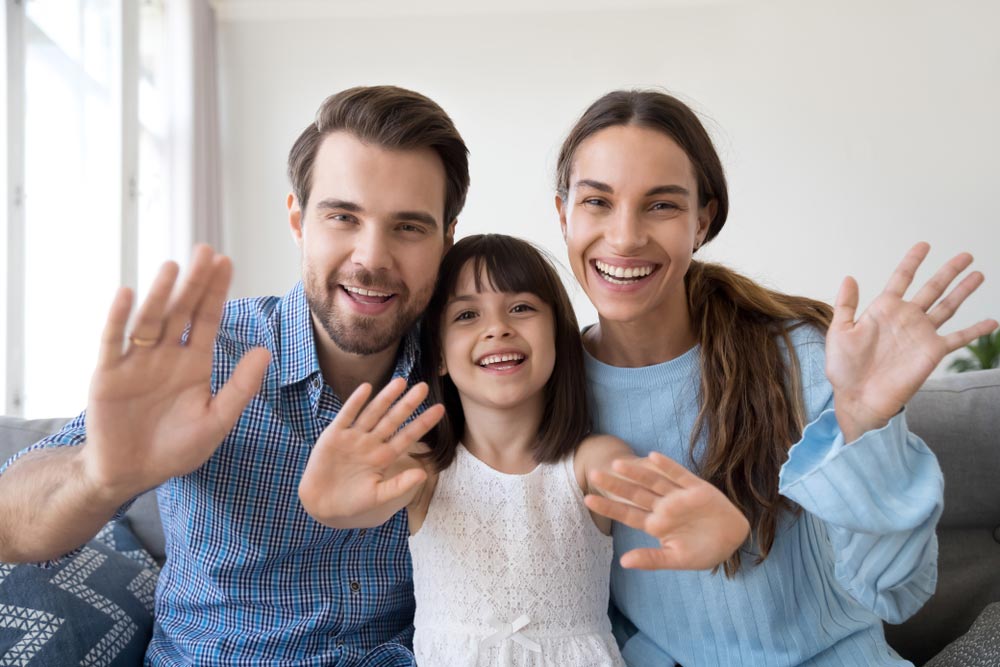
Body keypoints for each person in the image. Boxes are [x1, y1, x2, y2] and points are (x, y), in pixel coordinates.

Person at [0, 86, 471, 665]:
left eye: (409, 227)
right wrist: (98, 476)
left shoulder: (475, 374)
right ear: (298, 219)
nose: (371, 257)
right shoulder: (206, 355)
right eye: (343, 216)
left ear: (446, 240)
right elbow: (7, 525)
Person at [552, 89, 999, 666]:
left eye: (661, 205)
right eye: (597, 202)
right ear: (563, 213)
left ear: (702, 221)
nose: (625, 237)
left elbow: (896, 591)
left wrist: (862, 427)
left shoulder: (799, 356)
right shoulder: (549, 385)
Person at [296, 233, 751, 666]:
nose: (498, 329)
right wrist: (323, 499)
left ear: (557, 335)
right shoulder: (424, 466)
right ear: (437, 355)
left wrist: (719, 531)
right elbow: (351, 507)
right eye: (467, 315)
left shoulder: (592, 461)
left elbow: (665, 505)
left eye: (520, 308)